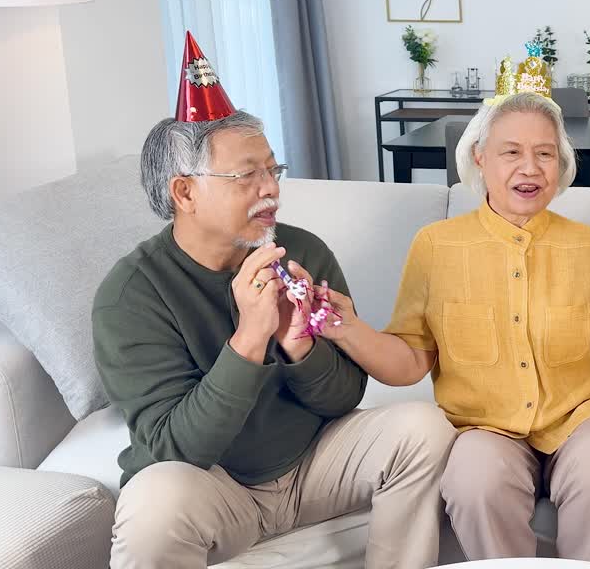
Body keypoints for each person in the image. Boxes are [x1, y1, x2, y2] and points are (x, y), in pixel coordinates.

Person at [95, 33, 454, 569]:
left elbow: (342, 400)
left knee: (424, 429)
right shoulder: (130, 296)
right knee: (153, 504)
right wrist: (249, 340)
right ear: (184, 193)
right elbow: (177, 451)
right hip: (217, 487)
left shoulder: (301, 251)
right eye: (247, 176)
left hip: (312, 466)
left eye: (273, 170)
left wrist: (299, 350)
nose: (271, 189)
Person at [323, 90, 590, 562]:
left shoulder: (586, 245)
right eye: (512, 152)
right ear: (480, 158)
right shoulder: (436, 246)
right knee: (474, 481)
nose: (530, 168)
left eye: (545, 154)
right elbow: (410, 361)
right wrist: (347, 329)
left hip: (585, 414)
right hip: (485, 425)